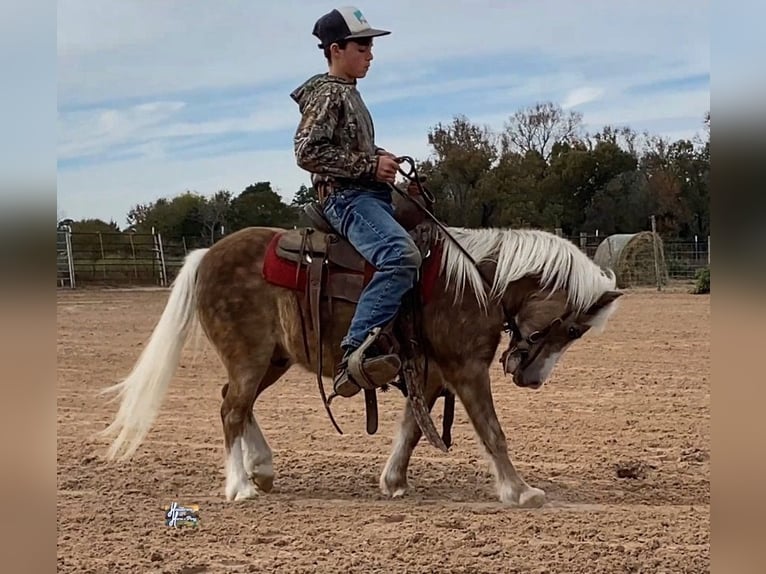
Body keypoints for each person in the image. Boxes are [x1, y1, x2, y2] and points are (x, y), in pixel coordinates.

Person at [290, 6, 422, 400]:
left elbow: (344, 146)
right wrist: (370, 164)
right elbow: (307, 152)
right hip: (347, 200)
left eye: (370, 46)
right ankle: (355, 354)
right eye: (362, 45)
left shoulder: (349, 94)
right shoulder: (329, 93)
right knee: (401, 257)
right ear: (336, 50)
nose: (370, 54)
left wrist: (382, 157)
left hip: (369, 196)